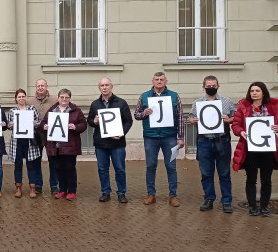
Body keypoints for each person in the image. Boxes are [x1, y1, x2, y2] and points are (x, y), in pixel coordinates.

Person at [134, 72, 185, 207]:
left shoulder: (174, 96)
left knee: (171, 166)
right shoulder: (144, 96)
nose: (159, 81)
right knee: (151, 166)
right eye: (156, 79)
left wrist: (180, 137)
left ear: (165, 81)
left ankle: (173, 196)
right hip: (150, 136)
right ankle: (151, 195)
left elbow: (180, 117)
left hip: (170, 137)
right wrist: (144, 113)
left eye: (161, 79)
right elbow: (136, 115)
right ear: (152, 81)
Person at [187, 76, 236, 213]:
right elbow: (190, 117)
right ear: (203, 87)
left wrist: (229, 120)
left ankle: (226, 201)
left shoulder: (226, 101)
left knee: (224, 173)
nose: (211, 87)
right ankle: (209, 199)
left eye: (213, 85)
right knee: (206, 173)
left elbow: (235, 118)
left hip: (222, 140)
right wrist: (193, 120)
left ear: (218, 85)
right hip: (204, 141)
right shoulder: (198, 103)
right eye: (208, 85)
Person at [231, 81, 278, 217]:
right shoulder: (244, 106)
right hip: (250, 148)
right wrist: (241, 132)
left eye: (257, 90)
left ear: (263, 92)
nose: (254, 93)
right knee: (251, 179)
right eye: (252, 91)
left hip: (268, 148)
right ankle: (252, 206)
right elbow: (236, 124)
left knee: (266, 179)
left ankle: (264, 207)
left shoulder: (273, 105)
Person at [86, 78, 133, 204]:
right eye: (102, 85)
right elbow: (89, 121)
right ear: (99, 88)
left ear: (111, 86)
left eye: (107, 85)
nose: (104, 87)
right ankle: (105, 192)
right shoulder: (95, 104)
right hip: (101, 143)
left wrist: (121, 133)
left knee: (120, 169)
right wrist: (94, 121)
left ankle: (121, 193)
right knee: (102, 169)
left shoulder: (121, 103)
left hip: (117, 143)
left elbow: (129, 121)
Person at [42, 89, 87, 200]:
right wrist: (44, 126)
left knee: (69, 168)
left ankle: (71, 190)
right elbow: (43, 122)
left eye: (66, 97)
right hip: (55, 146)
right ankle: (62, 189)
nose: (64, 99)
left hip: (70, 145)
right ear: (58, 98)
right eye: (62, 97)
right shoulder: (52, 110)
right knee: (58, 168)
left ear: (69, 98)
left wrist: (75, 127)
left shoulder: (75, 110)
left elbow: (84, 124)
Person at [7, 89, 41, 198]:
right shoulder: (12, 111)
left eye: (23, 96)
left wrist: (35, 123)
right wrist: (10, 125)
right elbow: (8, 125)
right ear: (16, 99)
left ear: (25, 98)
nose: (21, 98)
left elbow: (39, 122)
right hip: (17, 142)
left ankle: (32, 189)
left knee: (31, 166)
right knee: (18, 166)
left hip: (30, 142)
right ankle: (18, 188)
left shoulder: (32, 109)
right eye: (19, 97)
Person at [27, 78, 58, 194]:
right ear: (36, 87)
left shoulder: (55, 100)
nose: (40, 88)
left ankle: (54, 185)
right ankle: (38, 185)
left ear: (46, 86)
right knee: (36, 161)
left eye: (42, 86)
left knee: (53, 161)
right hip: (36, 135)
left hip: (51, 135)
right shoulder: (29, 101)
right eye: (38, 86)